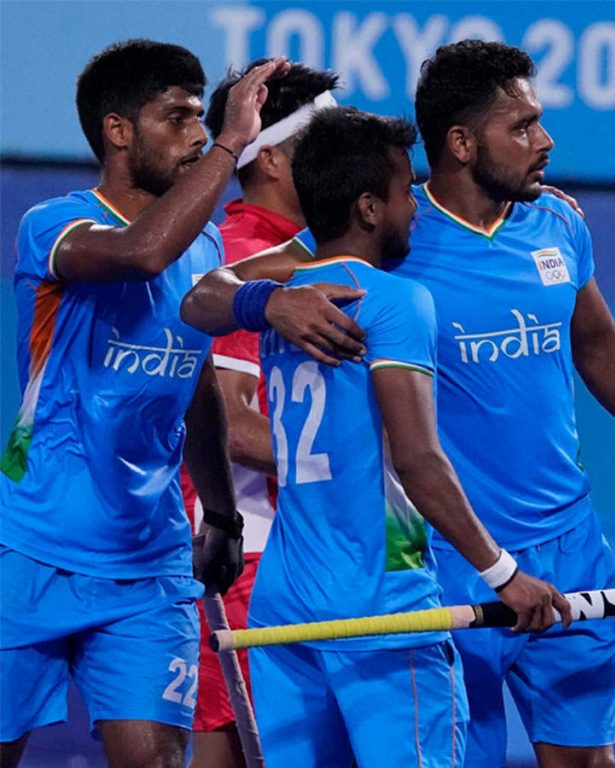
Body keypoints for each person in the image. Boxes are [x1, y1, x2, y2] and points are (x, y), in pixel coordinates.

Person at [182, 40, 615, 768]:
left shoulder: (559, 223)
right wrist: (271, 301)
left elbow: (601, 348)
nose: (545, 140)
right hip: (450, 557)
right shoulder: (390, 235)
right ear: (463, 143)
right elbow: (208, 294)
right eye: (523, 126)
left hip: (569, 545)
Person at [0, 40, 300, 768]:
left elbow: (197, 389)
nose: (197, 134)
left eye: (202, 118)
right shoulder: (55, 225)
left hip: (150, 564)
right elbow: (141, 253)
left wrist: (221, 514)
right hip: (30, 549)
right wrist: (232, 143)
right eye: (178, 118)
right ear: (118, 130)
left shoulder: (204, 251)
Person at [244, 104, 568, 765]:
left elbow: (201, 304)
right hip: (383, 605)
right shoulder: (395, 302)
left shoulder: (285, 301)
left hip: (284, 607)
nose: (415, 206)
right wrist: (504, 574)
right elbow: (419, 460)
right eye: (403, 191)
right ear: (369, 208)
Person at [182, 60, 340, 768]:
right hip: (245, 559)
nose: (340, 160)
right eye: (322, 145)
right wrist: (370, 470)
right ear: (270, 158)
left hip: (299, 553)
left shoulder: (312, 252)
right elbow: (233, 427)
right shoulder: (246, 258)